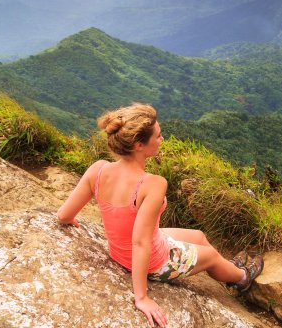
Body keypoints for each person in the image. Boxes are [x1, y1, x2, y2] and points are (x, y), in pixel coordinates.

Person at [57, 103, 263, 328]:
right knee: (211, 256)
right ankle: (241, 278)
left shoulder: (98, 170)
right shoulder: (152, 184)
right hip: (154, 262)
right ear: (138, 145)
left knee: (198, 236)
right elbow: (140, 242)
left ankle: (227, 269)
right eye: (158, 135)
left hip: (121, 251)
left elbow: (64, 215)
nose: (162, 139)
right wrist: (141, 297)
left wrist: (70, 221)